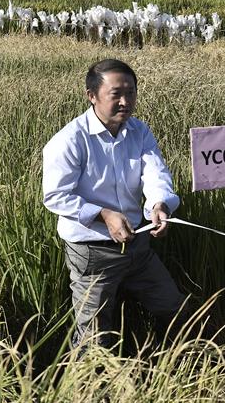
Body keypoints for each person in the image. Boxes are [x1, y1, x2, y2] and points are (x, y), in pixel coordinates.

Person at [43, 59, 185, 353]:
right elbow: (55, 196)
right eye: (116, 94)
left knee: (173, 307)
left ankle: (171, 366)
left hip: (138, 246)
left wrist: (159, 205)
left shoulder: (139, 132)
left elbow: (155, 173)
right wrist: (103, 214)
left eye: (131, 93)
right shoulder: (70, 140)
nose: (125, 102)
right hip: (93, 253)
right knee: (93, 335)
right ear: (91, 95)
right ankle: (86, 392)